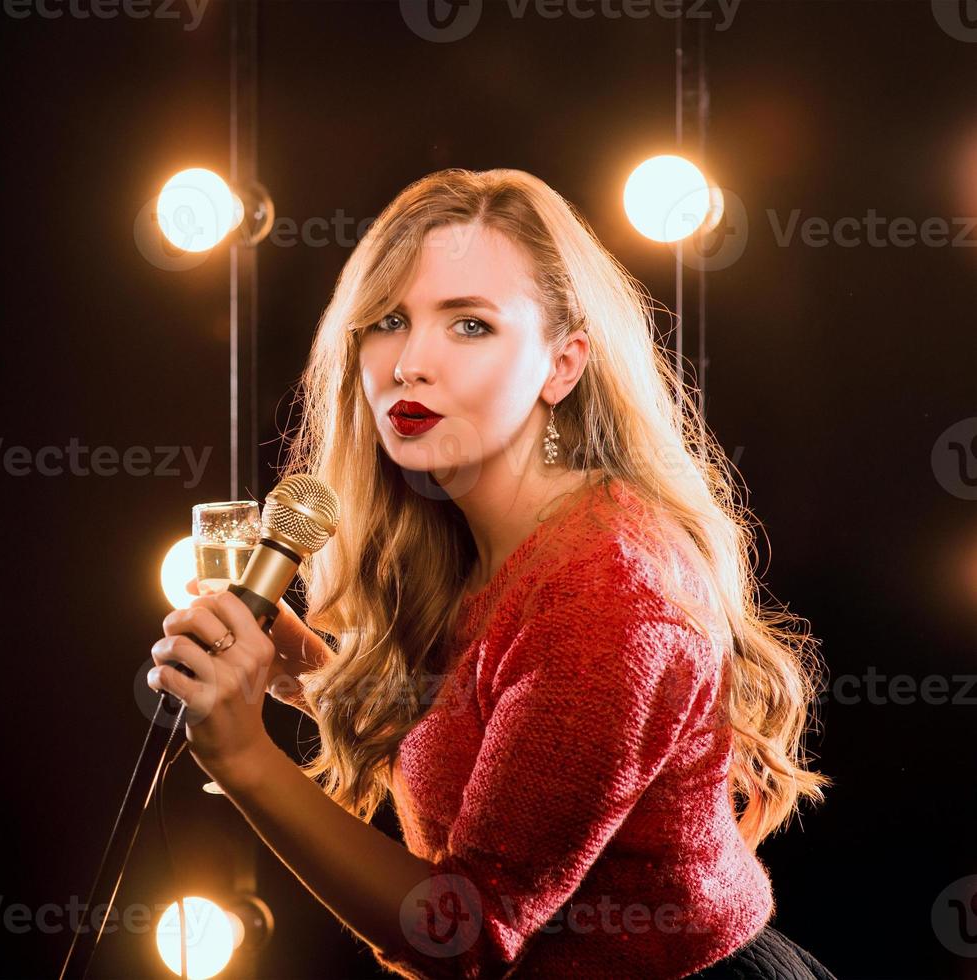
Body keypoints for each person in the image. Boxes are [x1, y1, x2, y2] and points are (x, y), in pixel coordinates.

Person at [145, 168, 836, 978]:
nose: (410, 363)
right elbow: (488, 734)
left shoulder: (608, 595)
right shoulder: (480, 539)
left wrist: (243, 759)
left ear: (563, 365)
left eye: (469, 325)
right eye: (390, 320)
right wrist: (306, 674)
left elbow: (463, 936)